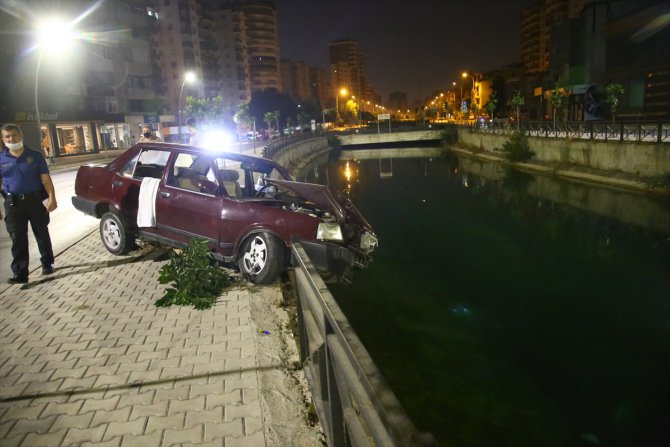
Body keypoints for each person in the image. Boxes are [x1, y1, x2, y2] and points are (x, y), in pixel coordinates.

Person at [0, 123, 57, 284]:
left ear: (21, 136)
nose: (12, 138)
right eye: (8, 136)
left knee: (41, 233)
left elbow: (45, 180)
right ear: (3, 139)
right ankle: (20, 273)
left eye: (14, 135)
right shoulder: (1, 158)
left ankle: (47, 263)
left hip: (35, 201)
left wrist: (52, 198)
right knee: (17, 238)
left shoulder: (35, 155)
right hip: (13, 204)